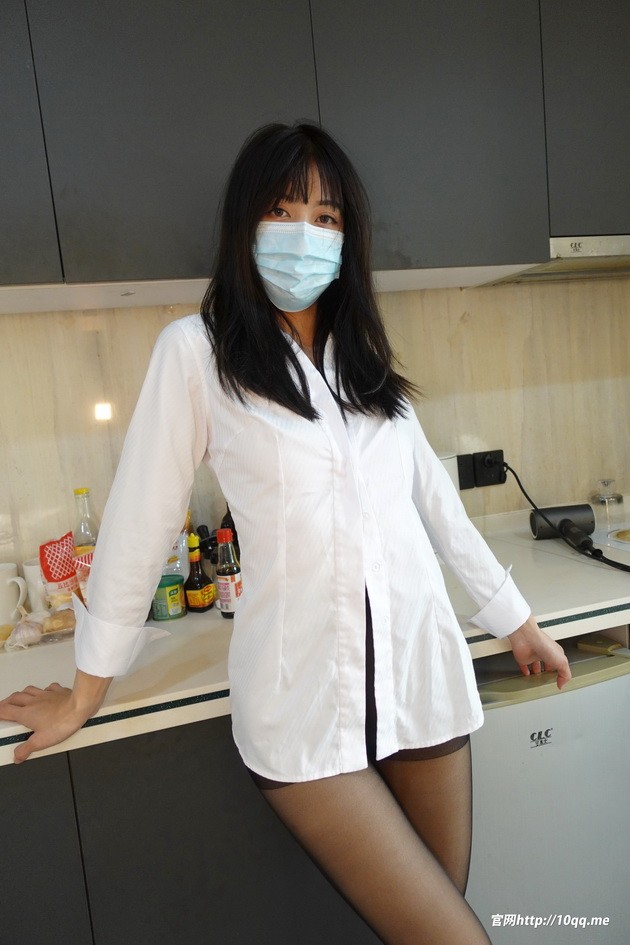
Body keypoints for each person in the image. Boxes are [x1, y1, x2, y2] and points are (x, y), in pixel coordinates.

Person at [0, 122, 570, 945]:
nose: (305, 232)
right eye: (283, 208)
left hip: (419, 671)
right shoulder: (197, 352)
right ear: (246, 222)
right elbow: (138, 521)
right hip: (303, 700)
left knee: (438, 914)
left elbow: (431, 500)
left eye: (327, 217)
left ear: (347, 237)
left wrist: (515, 619)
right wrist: (86, 689)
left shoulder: (360, 353)